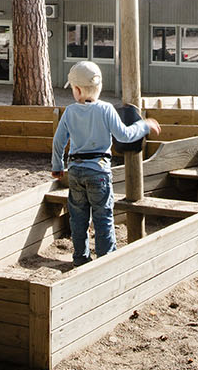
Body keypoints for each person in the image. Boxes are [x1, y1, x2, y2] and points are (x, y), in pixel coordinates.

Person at [51, 61, 161, 266]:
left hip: (75, 171)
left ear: (76, 90)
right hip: (99, 171)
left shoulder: (70, 112)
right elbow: (125, 135)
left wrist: (57, 166)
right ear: (99, 87)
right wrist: (144, 125)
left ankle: (80, 258)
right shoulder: (106, 109)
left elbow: (58, 141)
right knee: (103, 217)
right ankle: (105, 260)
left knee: (78, 218)